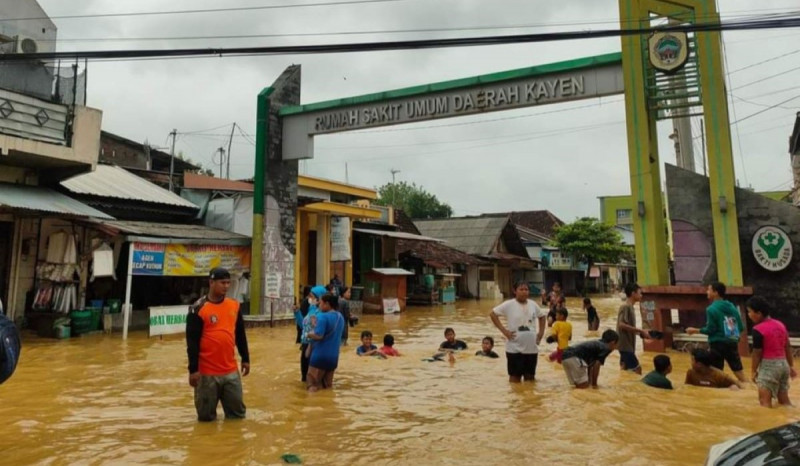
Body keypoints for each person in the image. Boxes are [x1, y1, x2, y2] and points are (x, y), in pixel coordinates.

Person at [186, 267, 250, 422]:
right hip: (206, 374)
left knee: (237, 417)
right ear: (211, 282)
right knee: (206, 419)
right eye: (223, 283)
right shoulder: (198, 309)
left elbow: (240, 335)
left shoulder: (234, 306)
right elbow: (192, 342)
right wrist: (193, 370)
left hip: (230, 372)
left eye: (228, 283)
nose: (226, 286)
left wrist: (246, 358)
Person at [686, 282, 747, 382]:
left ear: (716, 292)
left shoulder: (711, 309)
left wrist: (694, 330)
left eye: (709, 289)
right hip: (732, 342)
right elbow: (740, 327)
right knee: (739, 372)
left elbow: (710, 330)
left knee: (717, 372)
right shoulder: (731, 307)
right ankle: (750, 389)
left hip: (717, 344)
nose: (707, 292)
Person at [490, 281, 547, 382]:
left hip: (531, 349)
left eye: (526, 289)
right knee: (515, 379)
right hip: (514, 349)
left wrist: (540, 334)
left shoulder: (533, 304)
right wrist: (504, 331)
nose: (524, 292)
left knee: (530, 379)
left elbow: (542, 317)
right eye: (521, 289)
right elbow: (493, 314)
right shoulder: (509, 304)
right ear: (514, 291)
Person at [746, 296, 796, 407]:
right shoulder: (781, 325)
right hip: (783, 365)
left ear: (758, 313)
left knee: (764, 403)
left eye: (749, 312)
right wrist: (791, 366)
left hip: (769, 367)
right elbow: (787, 347)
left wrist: (753, 370)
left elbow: (757, 352)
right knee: (784, 402)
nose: (749, 315)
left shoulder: (758, 329)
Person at [306, 293, 345, 392]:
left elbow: (319, 335)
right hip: (333, 358)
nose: (319, 304)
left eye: (320, 302)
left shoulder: (323, 317)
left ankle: (310, 406)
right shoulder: (340, 317)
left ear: (327, 304)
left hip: (319, 356)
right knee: (327, 387)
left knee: (312, 385)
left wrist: (308, 334)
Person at [616, 282, 651, 374]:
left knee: (624, 369)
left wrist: (640, 333)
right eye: (639, 293)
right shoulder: (625, 307)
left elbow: (628, 327)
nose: (641, 295)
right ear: (633, 293)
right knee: (637, 369)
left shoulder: (630, 307)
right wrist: (640, 330)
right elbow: (621, 325)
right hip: (625, 345)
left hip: (627, 345)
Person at [300, 286, 327, 382]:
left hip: (313, 345)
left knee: (312, 376)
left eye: (311, 296)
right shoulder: (310, 309)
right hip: (305, 343)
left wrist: (312, 308)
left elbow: (314, 326)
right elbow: (303, 325)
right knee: (304, 375)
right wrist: (296, 313)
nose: (309, 298)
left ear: (318, 298)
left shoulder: (321, 313)